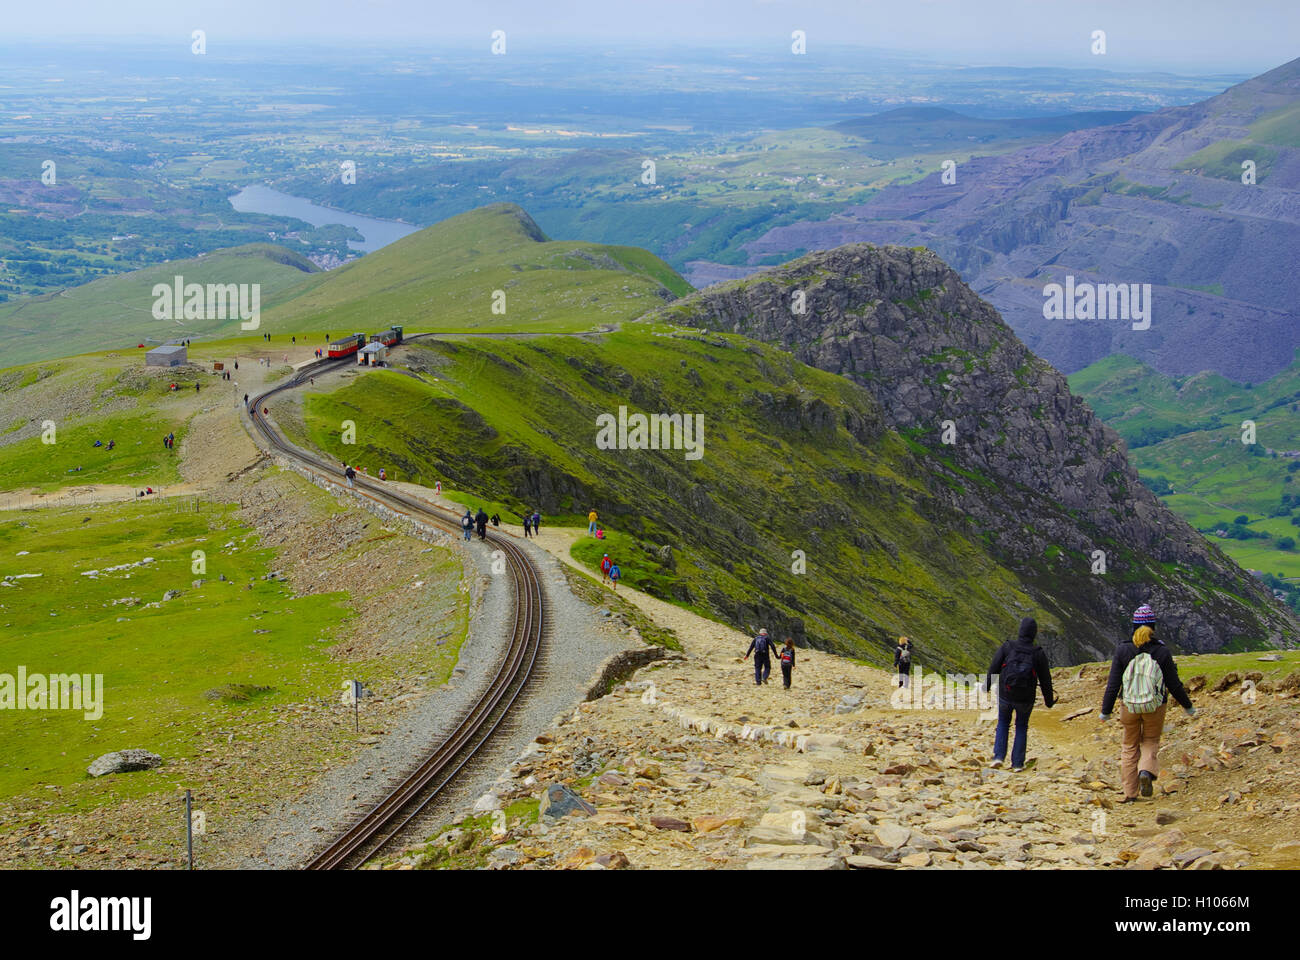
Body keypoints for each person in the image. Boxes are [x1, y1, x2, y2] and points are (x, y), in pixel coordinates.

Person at [1100, 604, 1196, 801]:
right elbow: (1174, 684)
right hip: (1155, 705)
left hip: (1129, 706)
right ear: (1153, 626)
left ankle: (1130, 793)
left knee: (1129, 746)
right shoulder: (1162, 652)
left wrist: (1106, 711)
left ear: (1134, 626)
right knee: (1150, 741)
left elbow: (1113, 684)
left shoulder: (1123, 650)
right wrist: (1188, 706)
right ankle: (1145, 772)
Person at [984, 617, 1055, 772]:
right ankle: (1017, 763)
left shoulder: (1008, 646)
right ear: (1034, 634)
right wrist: (1049, 701)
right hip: (1026, 698)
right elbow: (1045, 680)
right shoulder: (1038, 653)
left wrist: (986, 686)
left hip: (1006, 693)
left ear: (1020, 630)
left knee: (1003, 722)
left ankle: (998, 757)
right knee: (1021, 726)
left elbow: (994, 667)